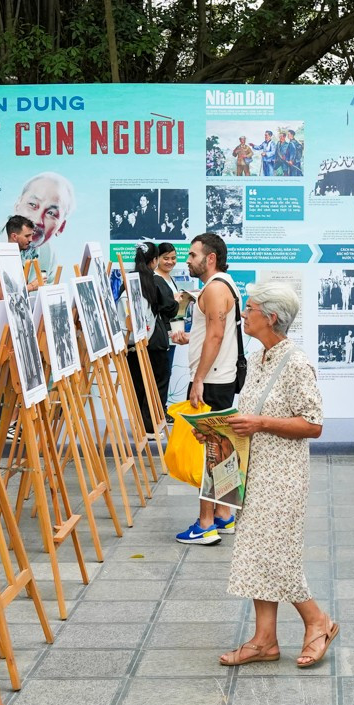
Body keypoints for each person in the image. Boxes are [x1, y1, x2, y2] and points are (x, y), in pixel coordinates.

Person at [216, 280, 339, 669]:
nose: (243, 314)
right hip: (253, 469)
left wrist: (261, 423)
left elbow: (314, 424)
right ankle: (265, 640)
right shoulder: (257, 358)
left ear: (270, 318)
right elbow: (249, 414)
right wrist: (219, 427)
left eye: (249, 308)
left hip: (283, 475)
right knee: (254, 551)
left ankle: (317, 620)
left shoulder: (296, 363)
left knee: (277, 554)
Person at [175, 232, 245, 546]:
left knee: (210, 450)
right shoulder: (224, 285)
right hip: (221, 377)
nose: (187, 260)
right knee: (222, 447)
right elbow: (214, 333)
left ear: (210, 258)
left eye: (192, 255)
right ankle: (223, 515)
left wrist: (199, 379)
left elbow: (216, 337)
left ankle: (206, 524)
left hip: (213, 380)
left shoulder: (215, 288)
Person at [134, 242, 180, 425]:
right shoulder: (156, 280)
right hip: (156, 339)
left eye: (173, 258)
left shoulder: (130, 279)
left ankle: (143, 423)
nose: (170, 262)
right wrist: (176, 302)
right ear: (155, 260)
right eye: (165, 258)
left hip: (135, 340)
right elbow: (170, 308)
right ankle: (153, 423)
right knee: (158, 381)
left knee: (140, 383)